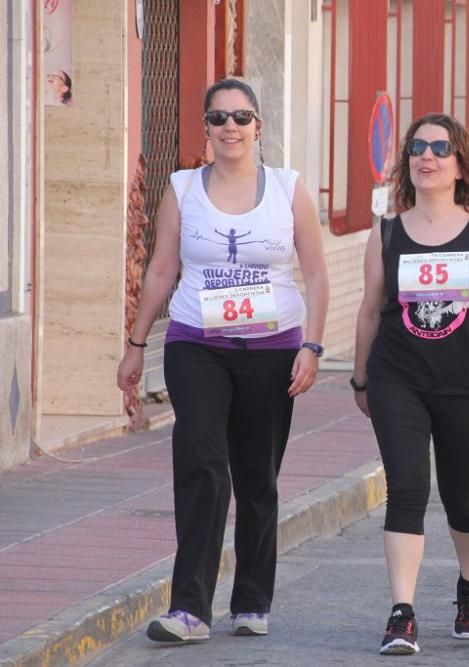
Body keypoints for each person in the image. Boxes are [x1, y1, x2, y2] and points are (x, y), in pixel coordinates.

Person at [116, 78, 330, 643]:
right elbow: (161, 270)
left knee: (257, 477)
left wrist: (312, 346)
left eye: (241, 117)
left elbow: (316, 273)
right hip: (196, 346)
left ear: (259, 126)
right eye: (218, 118)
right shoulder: (182, 189)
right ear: (205, 129)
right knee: (202, 468)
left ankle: (252, 599)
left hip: (273, 350)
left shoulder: (288, 189)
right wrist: (135, 346)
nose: (229, 127)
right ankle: (189, 608)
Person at [353, 113, 469, 656]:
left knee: (463, 498)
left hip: (468, 385)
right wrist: (361, 378)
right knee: (407, 489)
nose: (426, 157)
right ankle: (402, 613)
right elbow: (368, 313)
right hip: (397, 379)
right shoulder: (385, 232)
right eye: (417, 149)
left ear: (460, 163)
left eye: (439, 148)